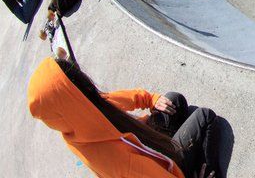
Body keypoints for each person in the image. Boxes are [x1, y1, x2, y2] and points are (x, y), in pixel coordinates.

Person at [28, 57, 221, 178]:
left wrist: (151, 99)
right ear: (75, 97)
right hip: (164, 170)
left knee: (173, 100)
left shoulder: (81, 117)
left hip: (146, 149)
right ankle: (205, 171)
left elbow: (122, 99)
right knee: (205, 116)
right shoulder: (115, 160)